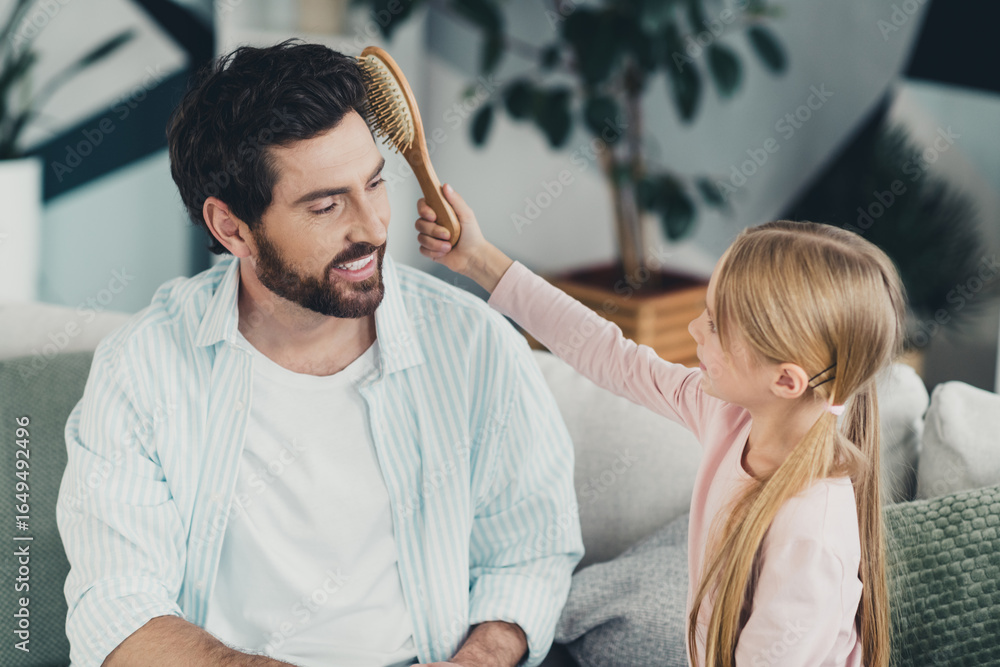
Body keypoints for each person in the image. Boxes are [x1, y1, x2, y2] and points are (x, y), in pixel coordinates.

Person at [56, 40, 583, 667]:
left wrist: (481, 658)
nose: (374, 228)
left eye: (375, 184)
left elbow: (529, 552)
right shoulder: (140, 369)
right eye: (326, 205)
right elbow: (118, 613)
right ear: (231, 228)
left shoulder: (476, 346)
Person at [415, 186, 905, 667]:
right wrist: (479, 259)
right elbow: (608, 353)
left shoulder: (810, 536)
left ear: (785, 380)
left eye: (714, 324)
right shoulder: (729, 416)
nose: (694, 329)